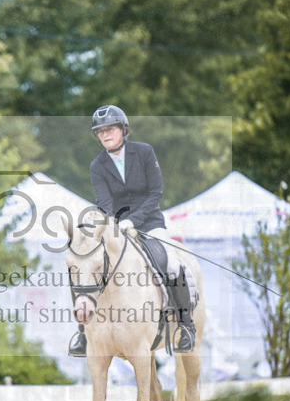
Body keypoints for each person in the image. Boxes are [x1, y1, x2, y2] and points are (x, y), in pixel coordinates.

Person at [68, 104, 197, 357]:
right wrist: (112, 224)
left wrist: (134, 220)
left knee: (170, 264)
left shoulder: (145, 152)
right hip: (115, 228)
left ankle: (186, 325)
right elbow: (104, 202)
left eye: (110, 129)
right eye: (100, 131)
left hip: (149, 223)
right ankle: (83, 334)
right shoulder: (97, 165)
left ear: (123, 130)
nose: (105, 135)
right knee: (83, 264)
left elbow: (155, 193)